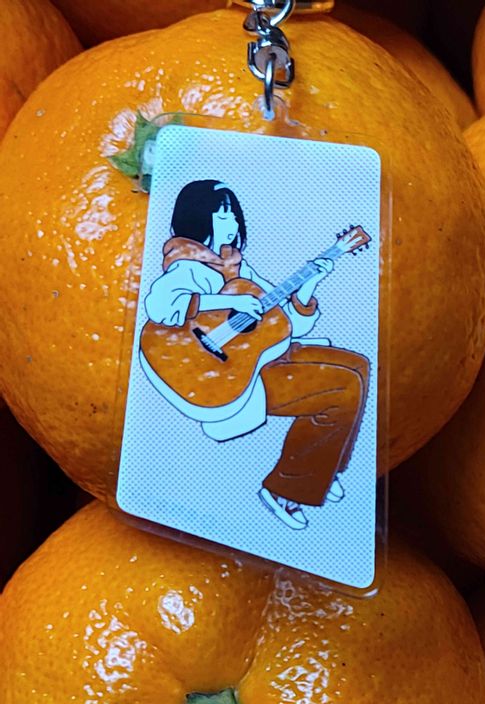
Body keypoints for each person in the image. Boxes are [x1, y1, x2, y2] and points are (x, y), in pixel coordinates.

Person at [140, 179, 370, 530]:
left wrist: (309, 284)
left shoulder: (238, 269)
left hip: (258, 358)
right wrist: (225, 302)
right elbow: (159, 305)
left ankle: (326, 466)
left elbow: (283, 323)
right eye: (222, 214)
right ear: (197, 218)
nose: (232, 222)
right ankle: (286, 489)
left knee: (358, 365)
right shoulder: (186, 265)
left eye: (234, 214)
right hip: (227, 377)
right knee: (343, 388)